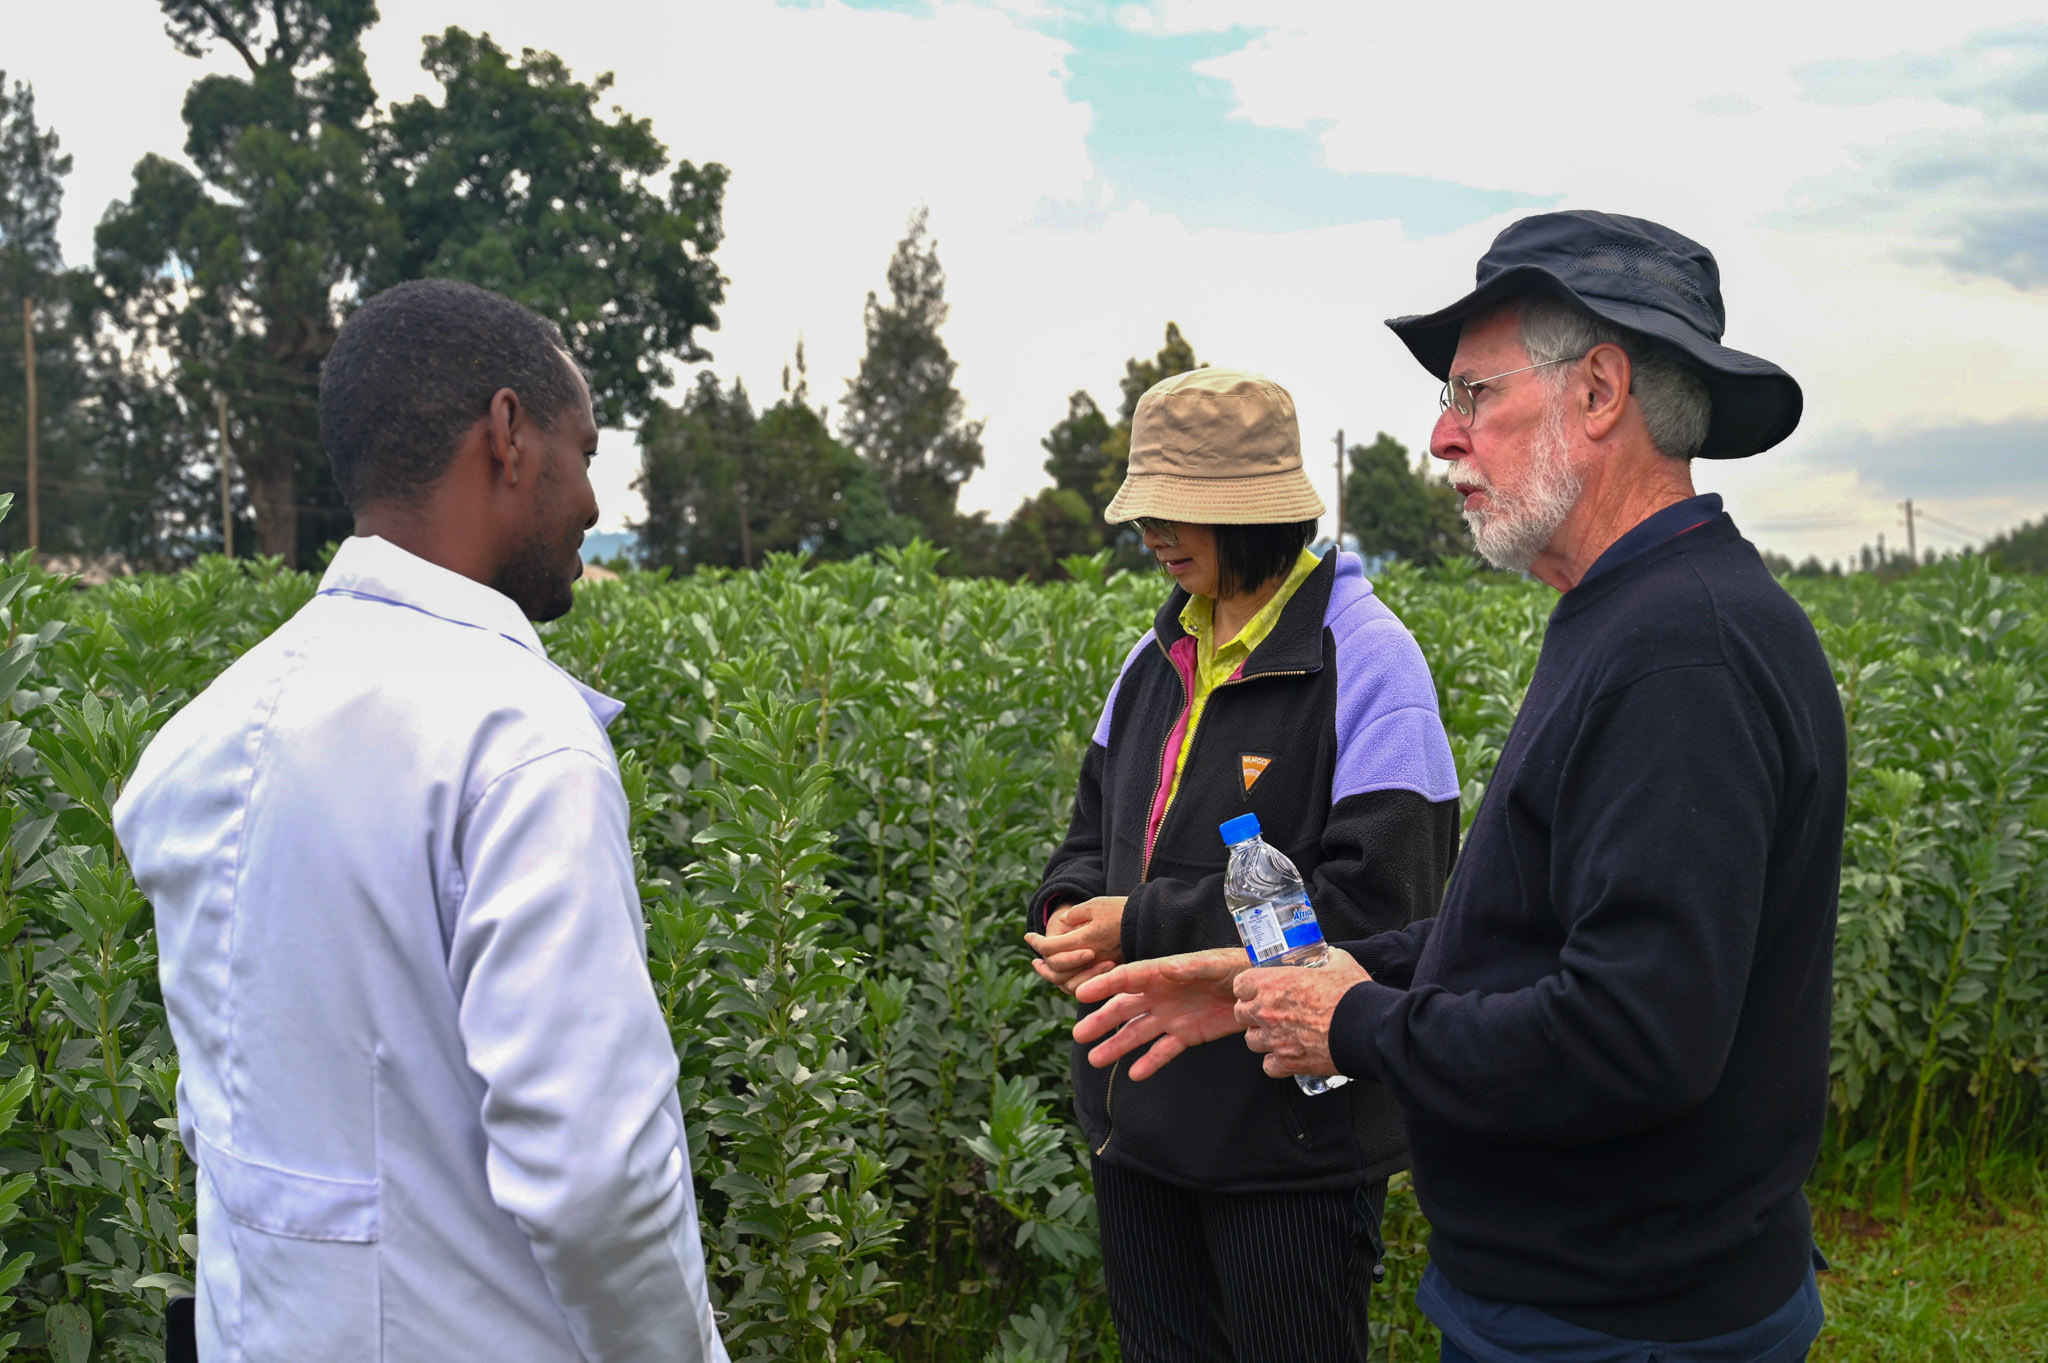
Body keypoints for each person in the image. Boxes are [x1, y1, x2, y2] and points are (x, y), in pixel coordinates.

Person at [1075, 210, 1848, 1363]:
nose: (1440, 436)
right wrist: (1265, 975)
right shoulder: (1634, 618)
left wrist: (1355, 1019)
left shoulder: (1680, 656)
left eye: (1473, 394)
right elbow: (1522, 940)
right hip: (1574, 1296)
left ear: (1597, 393)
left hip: (1616, 1319)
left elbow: (1630, 1038)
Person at [114, 279, 729, 1362]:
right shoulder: (517, 739)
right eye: (583, 449)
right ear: (508, 436)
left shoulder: (199, 738)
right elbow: (593, 1178)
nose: (592, 500)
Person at [1025, 367, 1461, 1363]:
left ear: (1259, 514)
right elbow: (1091, 833)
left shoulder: (1368, 662)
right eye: (1147, 509)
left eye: (1184, 511)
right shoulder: (1156, 657)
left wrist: (1138, 926)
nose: (1155, 534)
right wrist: (1064, 910)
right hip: (1134, 1117)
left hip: (1285, 1139)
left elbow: (1380, 909)